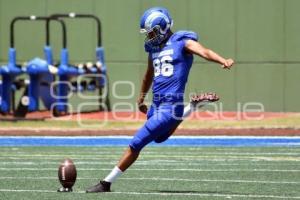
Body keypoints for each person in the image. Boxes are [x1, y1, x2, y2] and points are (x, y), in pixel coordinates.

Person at [86, 7, 234, 193]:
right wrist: (140, 98)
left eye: (153, 31)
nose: (150, 36)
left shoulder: (182, 41)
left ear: (163, 27)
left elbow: (204, 51)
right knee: (159, 138)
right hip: (157, 104)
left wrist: (222, 60)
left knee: (136, 143)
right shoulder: (154, 49)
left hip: (170, 105)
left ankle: (106, 183)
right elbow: (148, 75)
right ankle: (193, 106)